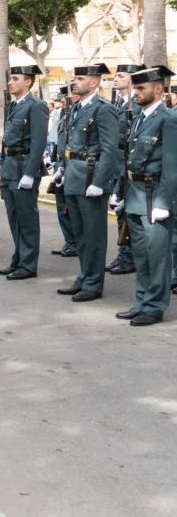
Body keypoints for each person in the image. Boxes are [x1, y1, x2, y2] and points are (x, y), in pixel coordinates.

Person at [113, 66, 177, 326]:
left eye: (141, 88)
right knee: (141, 256)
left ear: (158, 89)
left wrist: (163, 202)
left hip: (155, 197)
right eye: (135, 87)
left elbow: (172, 166)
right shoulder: (139, 117)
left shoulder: (168, 119)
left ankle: (154, 307)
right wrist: (121, 193)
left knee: (157, 256)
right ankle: (141, 302)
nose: (136, 92)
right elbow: (129, 160)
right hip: (136, 195)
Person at [55, 64, 120, 303]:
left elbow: (110, 149)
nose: (75, 82)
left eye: (80, 78)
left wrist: (100, 182)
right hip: (74, 176)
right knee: (80, 233)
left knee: (94, 235)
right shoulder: (76, 107)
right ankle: (84, 277)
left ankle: (93, 283)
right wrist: (63, 169)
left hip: (91, 177)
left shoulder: (103, 109)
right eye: (75, 78)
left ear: (94, 83)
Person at [0, 66, 49, 281]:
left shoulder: (36, 106)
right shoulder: (14, 105)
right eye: (10, 79)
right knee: (14, 217)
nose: (10, 82)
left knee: (27, 219)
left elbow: (38, 142)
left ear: (28, 82)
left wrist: (30, 173)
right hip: (10, 166)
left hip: (23, 166)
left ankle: (28, 264)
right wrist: (1, 156)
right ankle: (18, 259)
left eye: (15, 79)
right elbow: (9, 136)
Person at [106, 64, 145, 276]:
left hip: (126, 161)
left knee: (127, 212)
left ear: (132, 79)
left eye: (120, 75)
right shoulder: (118, 103)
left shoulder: (137, 105)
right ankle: (124, 255)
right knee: (120, 211)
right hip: (115, 162)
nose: (115, 78)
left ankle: (129, 257)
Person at [50, 87, 78, 258]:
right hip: (60, 163)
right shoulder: (64, 114)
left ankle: (76, 242)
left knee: (71, 208)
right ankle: (69, 241)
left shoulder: (77, 115)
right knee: (61, 206)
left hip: (71, 165)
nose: (62, 100)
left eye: (66, 97)